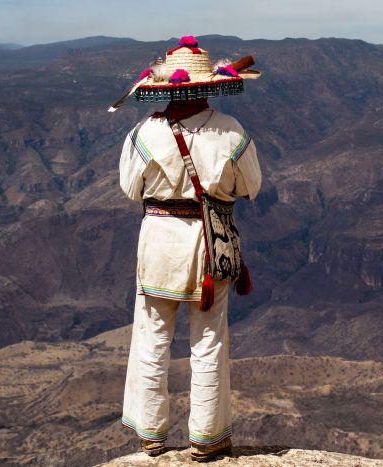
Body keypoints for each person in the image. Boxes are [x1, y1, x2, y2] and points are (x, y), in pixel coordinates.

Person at [112, 35, 262, 462]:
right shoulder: (230, 131)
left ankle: (151, 435)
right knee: (210, 339)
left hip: (159, 241)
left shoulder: (145, 132)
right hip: (209, 246)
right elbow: (252, 186)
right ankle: (207, 437)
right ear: (207, 86)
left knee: (151, 337)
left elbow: (129, 189)